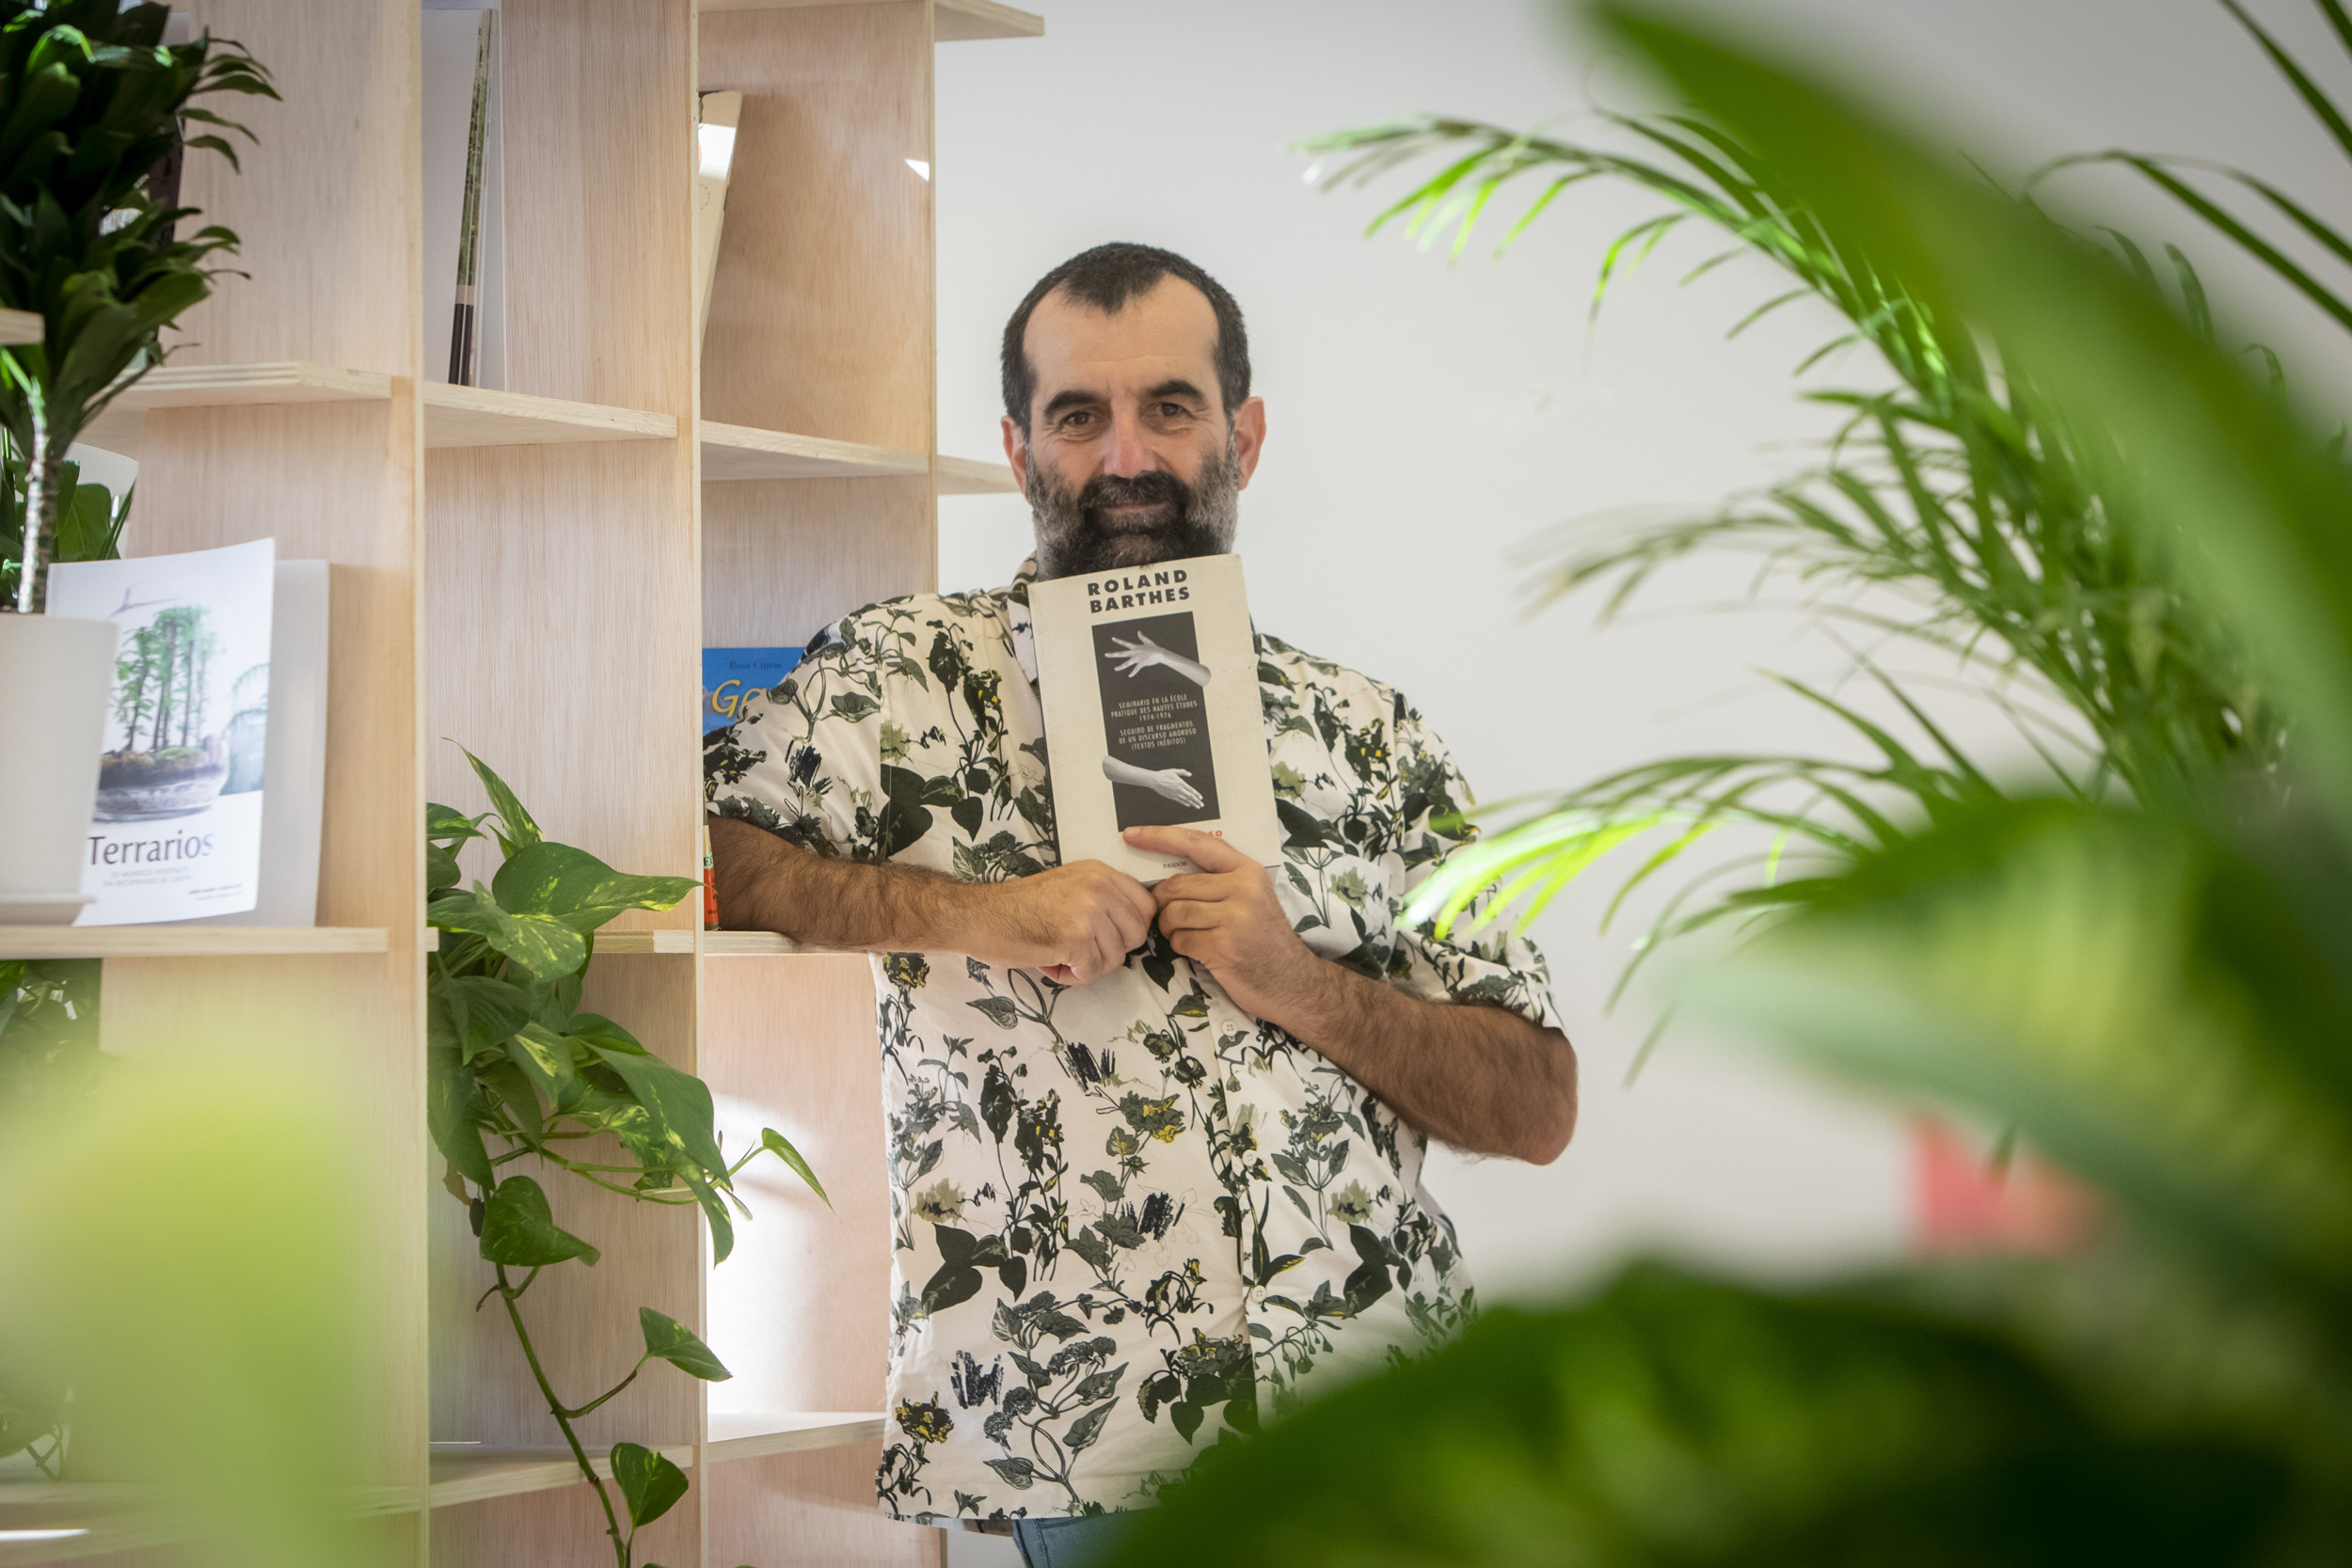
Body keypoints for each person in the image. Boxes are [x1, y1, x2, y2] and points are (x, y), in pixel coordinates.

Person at [705, 243, 1577, 1566]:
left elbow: (1536, 1106)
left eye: (1170, 407)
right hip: (1094, 1442)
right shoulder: (896, 678)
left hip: (1393, 1429)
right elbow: (707, 857)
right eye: (1078, 415)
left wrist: (1301, 981)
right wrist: (980, 915)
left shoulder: (1371, 730)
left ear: (1245, 435)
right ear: (1017, 449)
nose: (1127, 456)